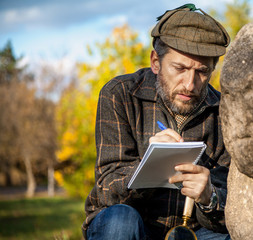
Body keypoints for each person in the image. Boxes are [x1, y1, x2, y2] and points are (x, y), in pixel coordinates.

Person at [83, 4, 231, 240]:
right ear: (155, 61)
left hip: (195, 231)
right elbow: (107, 191)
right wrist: (150, 166)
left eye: (202, 71)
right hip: (132, 223)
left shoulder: (226, 111)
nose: (190, 84)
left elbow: (232, 206)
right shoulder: (119, 94)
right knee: (121, 221)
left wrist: (209, 196)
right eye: (180, 68)